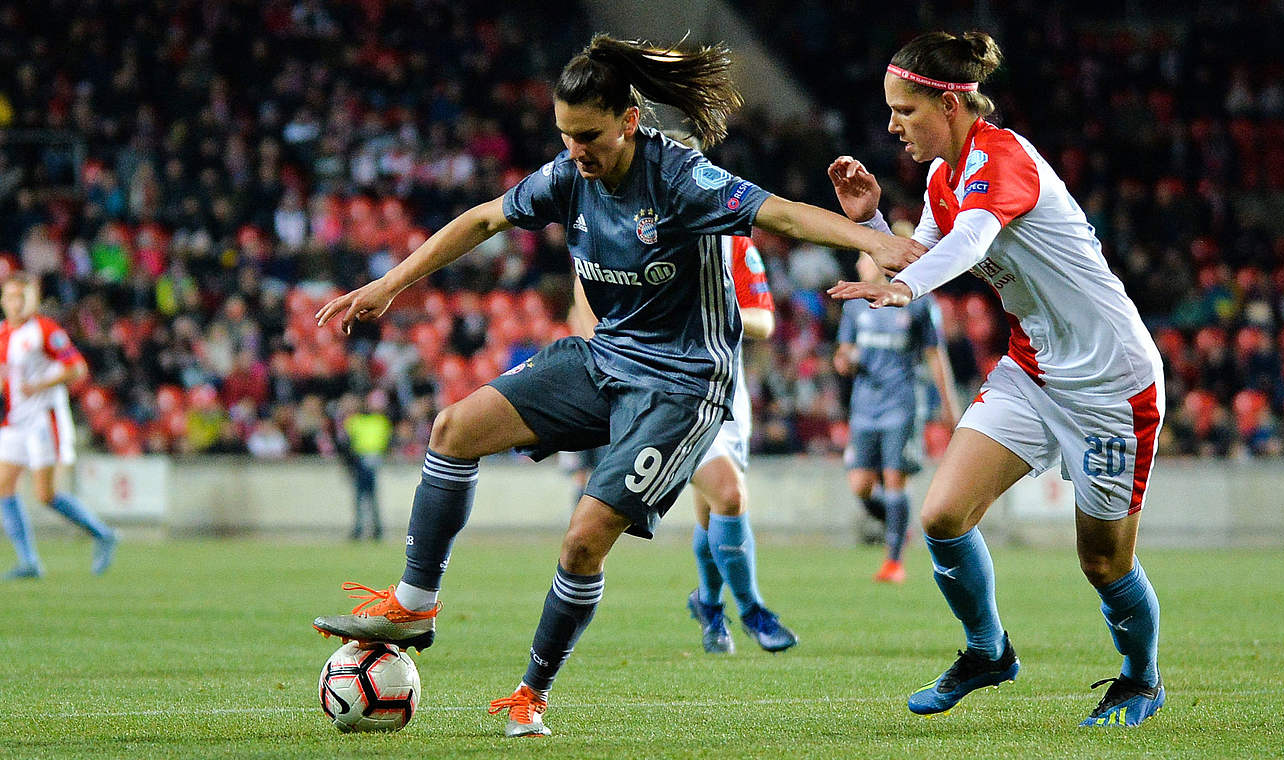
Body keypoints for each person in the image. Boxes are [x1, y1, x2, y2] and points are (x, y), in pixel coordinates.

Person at [311, 34, 916, 738]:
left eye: (589, 136)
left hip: (682, 384)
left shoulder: (682, 179)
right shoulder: (568, 177)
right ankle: (415, 601)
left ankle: (531, 694)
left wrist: (870, 238)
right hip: (606, 359)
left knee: (582, 542)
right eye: (565, 136)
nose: (576, 152)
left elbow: (777, 211)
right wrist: (389, 285)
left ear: (629, 121)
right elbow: (481, 219)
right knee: (452, 430)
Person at [826, 31, 1166, 727]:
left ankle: (1140, 679)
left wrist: (907, 289)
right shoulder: (942, 178)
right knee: (942, 517)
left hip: (1111, 384)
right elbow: (926, 254)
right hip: (1034, 370)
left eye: (905, 110)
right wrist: (873, 224)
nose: (892, 125)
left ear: (950, 105)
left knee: (1102, 563)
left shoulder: (1002, 159)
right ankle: (989, 652)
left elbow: (971, 245)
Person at [568, 231, 798, 655]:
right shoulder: (640, 234)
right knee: (729, 495)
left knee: (712, 512)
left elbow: (764, 320)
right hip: (668, 396)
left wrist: (708, 311)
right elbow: (584, 294)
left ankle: (709, 605)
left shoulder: (731, 242)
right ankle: (752, 610)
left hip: (726, 393)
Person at [834, 252, 959, 583]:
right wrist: (844, 361)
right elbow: (842, 353)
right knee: (860, 485)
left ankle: (893, 562)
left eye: (863, 258)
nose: (859, 265)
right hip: (864, 406)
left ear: (878, 263)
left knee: (894, 478)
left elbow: (935, 355)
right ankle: (898, 525)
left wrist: (949, 407)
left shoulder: (916, 303)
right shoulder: (854, 304)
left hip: (903, 404)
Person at [0, 273, 118, 579]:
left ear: (33, 299)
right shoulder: (2, 333)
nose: (16, 303)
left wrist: (41, 384)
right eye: (11, 296)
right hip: (13, 420)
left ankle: (102, 533)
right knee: (3, 487)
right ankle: (29, 562)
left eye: (22, 296)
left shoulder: (45, 330)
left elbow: (77, 368)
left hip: (43, 418)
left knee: (45, 494)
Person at [342, 389, 394, 541]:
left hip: (366, 461)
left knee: (363, 497)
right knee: (368, 497)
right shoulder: (375, 421)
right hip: (364, 461)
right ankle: (370, 528)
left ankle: (364, 528)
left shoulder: (356, 421)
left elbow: (348, 443)